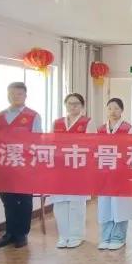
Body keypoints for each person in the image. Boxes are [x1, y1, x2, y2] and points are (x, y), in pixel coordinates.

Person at [0, 82, 42, 250]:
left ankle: (21, 234)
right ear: (7, 95)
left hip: (24, 165)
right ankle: (9, 233)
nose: (15, 97)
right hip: (4, 165)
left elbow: (38, 140)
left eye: (19, 94)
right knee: (8, 200)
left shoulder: (33, 116)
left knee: (24, 200)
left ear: (25, 96)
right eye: (12, 93)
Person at [50, 93, 95, 249]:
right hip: (60, 169)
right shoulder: (57, 123)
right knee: (60, 203)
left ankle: (76, 236)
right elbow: (51, 143)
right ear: (66, 105)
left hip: (78, 169)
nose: (73, 106)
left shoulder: (87, 122)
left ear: (82, 106)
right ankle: (63, 236)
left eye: (76, 104)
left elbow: (91, 145)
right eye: (70, 103)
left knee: (76, 203)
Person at [96, 98, 132, 251]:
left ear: (122, 110)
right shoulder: (100, 129)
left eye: (116, 108)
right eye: (110, 108)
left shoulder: (128, 129)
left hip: (121, 174)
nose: (113, 111)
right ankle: (105, 237)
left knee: (120, 205)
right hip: (104, 174)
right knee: (105, 206)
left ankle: (119, 237)